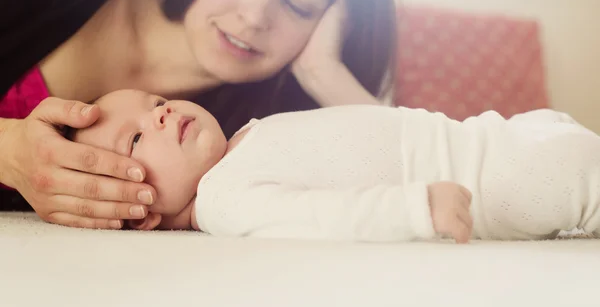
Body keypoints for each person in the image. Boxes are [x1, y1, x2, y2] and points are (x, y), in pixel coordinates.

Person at [0, 0, 397, 229]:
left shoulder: (240, 138)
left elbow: (420, 189)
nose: (254, 16)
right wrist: (8, 149)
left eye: (298, 4)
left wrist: (323, 73)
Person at [70, 89, 600, 243]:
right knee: (577, 171)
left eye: (154, 100)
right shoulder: (224, 202)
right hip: (482, 186)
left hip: (483, 135)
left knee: (571, 153)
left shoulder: (239, 144)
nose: (159, 113)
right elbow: (326, 217)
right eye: (136, 136)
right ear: (140, 213)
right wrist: (416, 208)